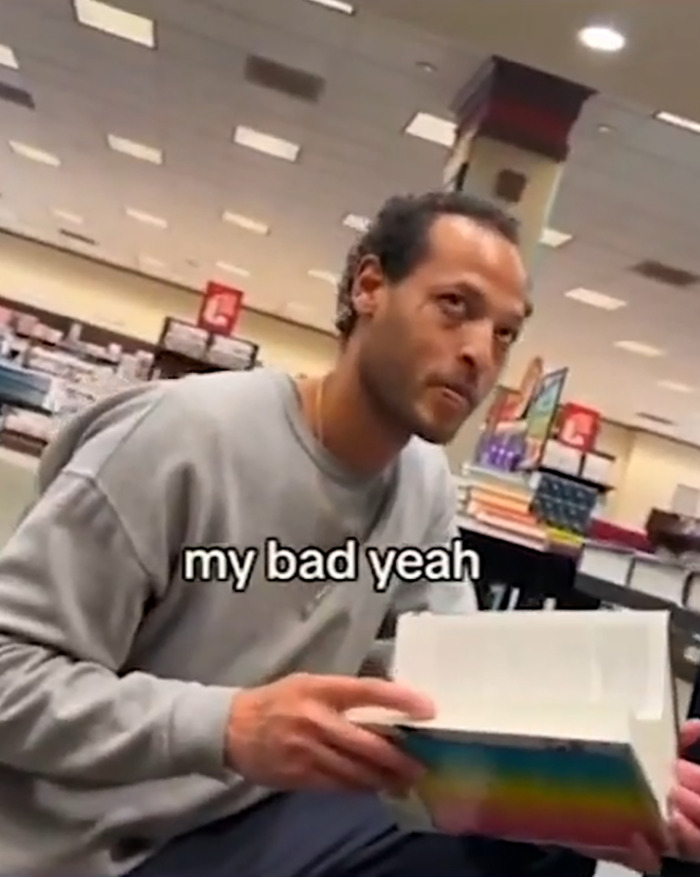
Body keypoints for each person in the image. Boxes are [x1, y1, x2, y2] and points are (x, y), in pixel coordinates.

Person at [0, 192, 697, 877]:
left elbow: (447, 689)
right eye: (456, 306)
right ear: (369, 287)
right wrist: (228, 726)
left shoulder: (420, 483)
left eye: (506, 333)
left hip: (252, 817)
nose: (480, 353)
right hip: (102, 847)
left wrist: (602, 782)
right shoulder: (179, 440)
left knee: (539, 837)